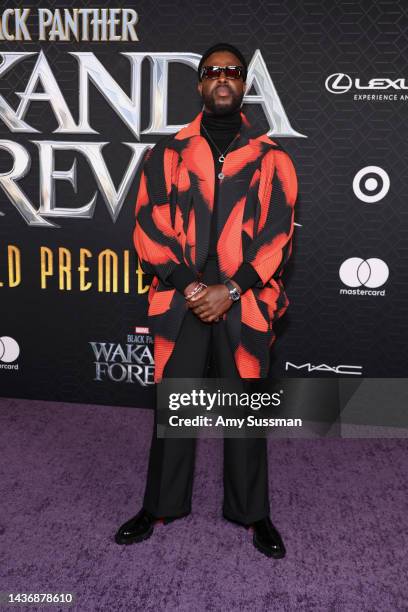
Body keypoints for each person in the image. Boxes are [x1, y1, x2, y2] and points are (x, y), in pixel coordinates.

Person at [115, 43, 298, 558]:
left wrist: (232, 288)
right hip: (181, 301)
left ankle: (252, 513)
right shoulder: (166, 153)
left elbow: (278, 236)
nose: (223, 78)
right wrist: (194, 288)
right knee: (173, 408)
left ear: (244, 84)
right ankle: (160, 505)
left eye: (232, 72)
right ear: (200, 85)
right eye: (212, 71)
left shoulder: (272, 158)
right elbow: (147, 226)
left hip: (247, 300)